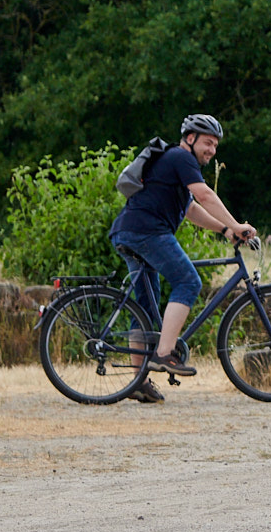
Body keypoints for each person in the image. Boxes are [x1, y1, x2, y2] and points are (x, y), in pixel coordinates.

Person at [110, 112, 257, 403]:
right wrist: (238, 224)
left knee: (145, 306)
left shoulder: (173, 162)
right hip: (146, 233)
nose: (211, 151)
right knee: (188, 281)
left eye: (215, 146)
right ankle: (165, 354)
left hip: (130, 231)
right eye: (207, 143)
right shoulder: (180, 157)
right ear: (190, 139)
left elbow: (191, 209)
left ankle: (138, 382)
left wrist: (226, 229)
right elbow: (205, 195)